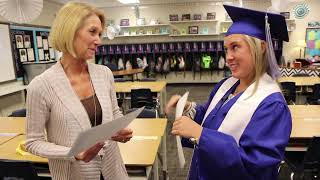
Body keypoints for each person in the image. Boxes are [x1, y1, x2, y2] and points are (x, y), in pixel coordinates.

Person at [165, 5, 292, 180]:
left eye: (235, 47)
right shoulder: (227, 85)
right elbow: (211, 118)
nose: (228, 57)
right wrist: (187, 108)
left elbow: (257, 167)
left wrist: (202, 135)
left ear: (261, 47)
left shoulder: (271, 104)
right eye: (226, 49)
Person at [25, 2, 131, 180]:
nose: (98, 40)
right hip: (74, 174)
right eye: (92, 32)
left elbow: (114, 112)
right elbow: (33, 142)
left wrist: (120, 128)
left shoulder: (104, 74)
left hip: (112, 170)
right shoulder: (41, 86)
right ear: (70, 30)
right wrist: (73, 153)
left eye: (99, 34)